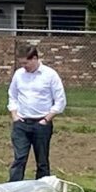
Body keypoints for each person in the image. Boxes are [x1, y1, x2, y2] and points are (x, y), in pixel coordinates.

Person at [7, 44, 66, 181]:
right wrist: (15, 115)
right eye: (21, 63)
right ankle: (13, 190)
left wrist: (46, 119)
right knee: (19, 158)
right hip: (21, 123)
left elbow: (60, 101)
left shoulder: (50, 75)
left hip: (41, 124)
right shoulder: (19, 74)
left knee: (42, 161)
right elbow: (13, 95)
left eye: (26, 63)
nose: (24, 66)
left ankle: (42, 190)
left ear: (34, 58)